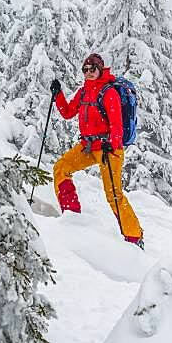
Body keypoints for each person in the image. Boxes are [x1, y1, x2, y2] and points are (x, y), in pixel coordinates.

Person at [50, 53, 144, 247]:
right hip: (88, 147)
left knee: (113, 194)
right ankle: (71, 214)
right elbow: (68, 113)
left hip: (109, 149)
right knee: (61, 168)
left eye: (92, 69)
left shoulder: (108, 92)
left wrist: (113, 143)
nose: (88, 73)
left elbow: (117, 124)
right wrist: (58, 95)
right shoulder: (84, 92)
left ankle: (134, 237)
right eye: (85, 69)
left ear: (100, 69)